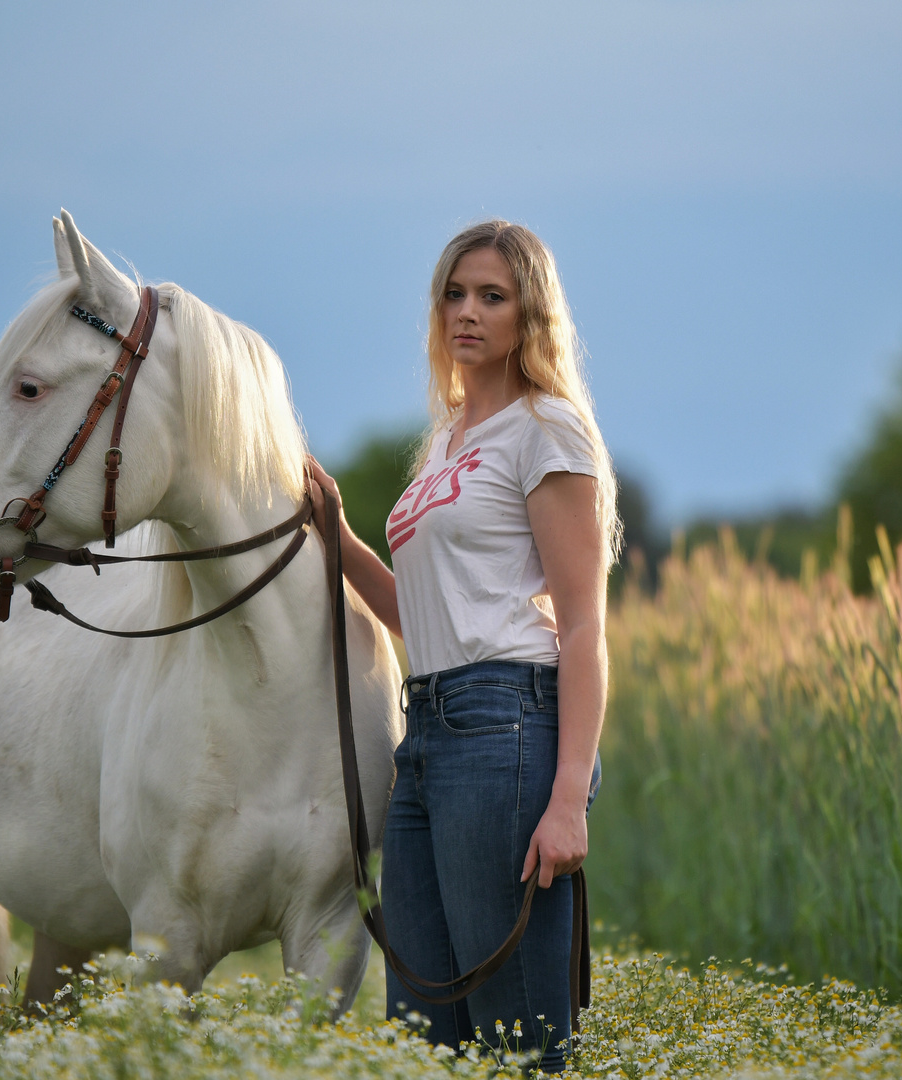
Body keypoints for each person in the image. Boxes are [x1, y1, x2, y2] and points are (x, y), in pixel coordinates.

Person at [308, 219, 619, 1072]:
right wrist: (334, 533)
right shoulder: (446, 440)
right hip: (429, 732)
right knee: (426, 1035)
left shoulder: (544, 430)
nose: (467, 312)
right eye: (454, 293)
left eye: (493, 296)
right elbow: (421, 613)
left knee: (516, 1035)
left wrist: (567, 799)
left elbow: (585, 625)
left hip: (505, 726)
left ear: (531, 315)